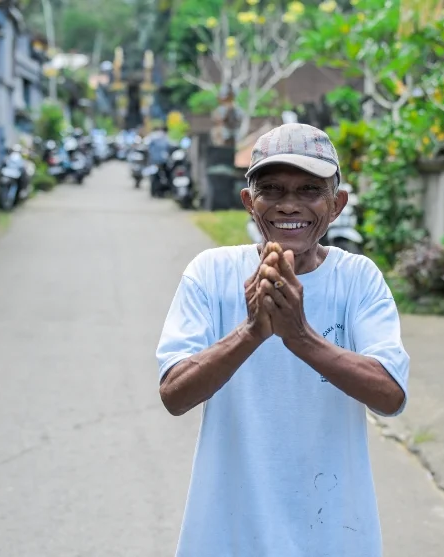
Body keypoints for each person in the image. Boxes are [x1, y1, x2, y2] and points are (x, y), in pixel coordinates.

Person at [156, 123, 410, 557]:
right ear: (248, 202)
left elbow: (390, 395)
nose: (289, 204)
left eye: (309, 190)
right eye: (271, 189)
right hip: (227, 538)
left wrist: (300, 337)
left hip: (334, 537)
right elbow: (174, 394)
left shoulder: (358, 279)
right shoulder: (210, 272)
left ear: (336, 205)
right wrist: (252, 331)